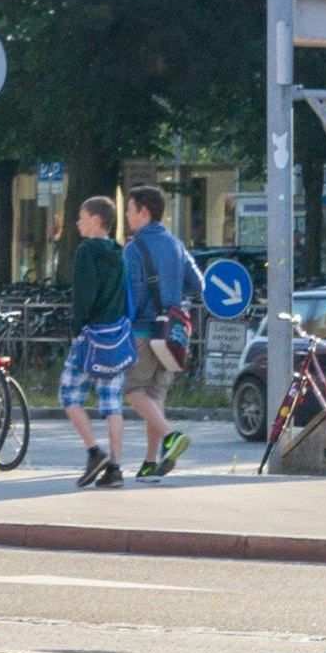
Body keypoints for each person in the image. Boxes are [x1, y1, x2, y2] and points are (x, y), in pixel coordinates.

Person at [121, 185, 203, 481]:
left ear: (144, 212)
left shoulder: (133, 248)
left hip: (143, 329)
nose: (127, 215)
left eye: (130, 210)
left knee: (131, 389)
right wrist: (173, 298)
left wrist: (125, 328)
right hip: (172, 332)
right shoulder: (176, 244)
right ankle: (149, 464)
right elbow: (199, 285)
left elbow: (130, 293)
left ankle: (170, 436)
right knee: (155, 395)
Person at [58, 196, 137, 487]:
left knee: (68, 394)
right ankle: (115, 469)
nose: (77, 222)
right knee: (112, 404)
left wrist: (77, 328)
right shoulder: (119, 251)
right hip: (116, 337)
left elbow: (84, 295)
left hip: (91, 338)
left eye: (81, 216)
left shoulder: (86, 251)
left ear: (95, 220)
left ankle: (94, 451)